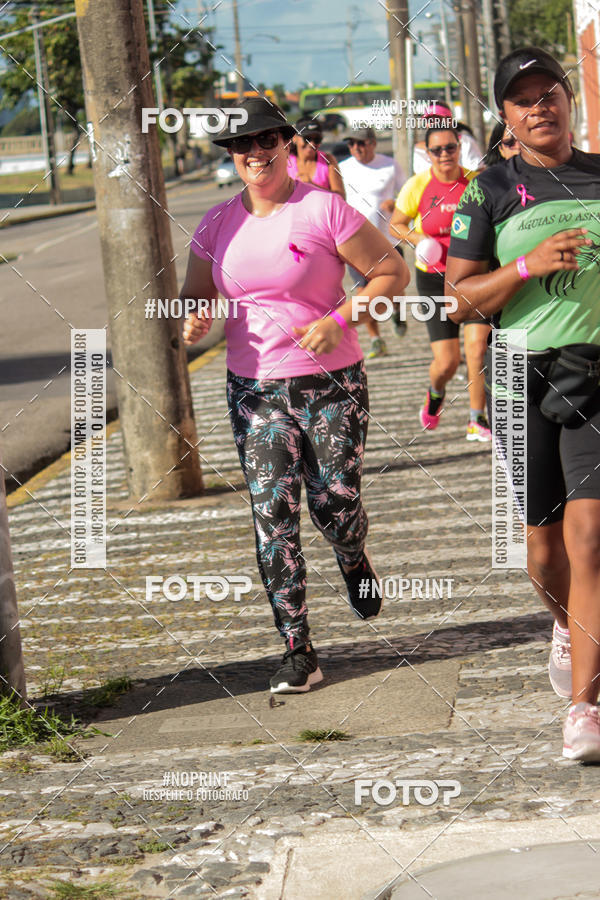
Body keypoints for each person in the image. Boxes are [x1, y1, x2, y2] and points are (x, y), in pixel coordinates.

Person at [181, 98, 409, 694]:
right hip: (254, 391)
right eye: (241, 146)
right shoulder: (213, 225)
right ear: (232, 156)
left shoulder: (324, 210)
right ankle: (298, 650)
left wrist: (343, 315)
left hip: (332, 382)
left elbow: (392, 273)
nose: (254, 154)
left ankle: (353, 554)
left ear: (285, 144)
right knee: (272, 517)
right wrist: (195, 317)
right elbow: (194, 293)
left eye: (264, 141)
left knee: (334, 504)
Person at [445, 47, 600, 762]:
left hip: (595, 375)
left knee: (591, 539)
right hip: (518, 378)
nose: (542, 106)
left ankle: (584, 709)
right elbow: (459, 297)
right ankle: (567, 627)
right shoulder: (491, 188)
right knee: (543, 549)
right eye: (525, 99)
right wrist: (528, 266)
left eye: (552, 93)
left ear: (571, 102)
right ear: (506, 117)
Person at [390, 125, 492, 441]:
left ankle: (478, 419)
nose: (445, 155)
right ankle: (435, 392)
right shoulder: (417, 185)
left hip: (473, 275)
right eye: (437, 150)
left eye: (450, 148)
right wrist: (419, 239)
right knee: (448, 362)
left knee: (477, 348)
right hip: (434, 279)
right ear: (428, 153)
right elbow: (396, 225)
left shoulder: (477, 183)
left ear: (460, 148)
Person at [339, 126, 408, 358]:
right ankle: (376, 339)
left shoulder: (389, 165)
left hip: (387, 240)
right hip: (355, 242)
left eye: (360, 143)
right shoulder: (343, 168)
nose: (356, 148)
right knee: (362, 292)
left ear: (373, 143)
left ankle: (397, 312)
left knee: (396, 287)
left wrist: (394, 203)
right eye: (351, 144)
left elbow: (407, 194)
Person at [413, 102, 485, 175]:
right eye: (430, 120)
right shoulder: (419, 149)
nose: (434, 124)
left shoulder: (466, 142)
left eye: (438, 119)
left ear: (449, 121)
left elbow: (478, 172)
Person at [287, 117, 345, 197]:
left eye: (317, 140)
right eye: (307, 139)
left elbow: (341, 197)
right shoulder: (285, 162)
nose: (312, 144)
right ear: (295, 138)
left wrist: (312, 185)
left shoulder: (328, 161)